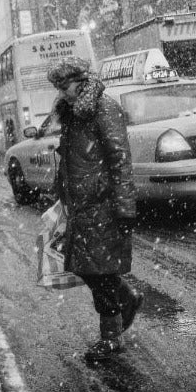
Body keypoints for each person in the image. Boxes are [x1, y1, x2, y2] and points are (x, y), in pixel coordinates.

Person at [47, 57, 143, 363]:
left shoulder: (103, 108)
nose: (62, 93)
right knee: (87, 267)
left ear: (82, 80)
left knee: (97, 270)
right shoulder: (74, 114)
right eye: (58, 88)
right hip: (81, 206)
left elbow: (120, 160)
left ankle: (111, 336)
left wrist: (125, 207)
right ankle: (125, 299)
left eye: (65, 86)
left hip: (102, 205)